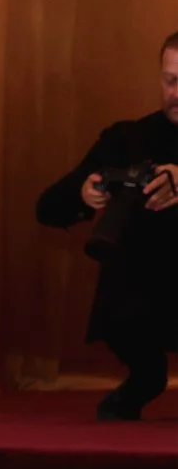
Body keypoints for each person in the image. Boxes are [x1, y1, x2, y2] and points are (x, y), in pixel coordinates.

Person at [37, 31, 178, 420]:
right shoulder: (127, 139)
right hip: (140, 295)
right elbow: (47, 207)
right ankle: (145, 376)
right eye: (171, 80)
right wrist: (85, 195)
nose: (177, 92)